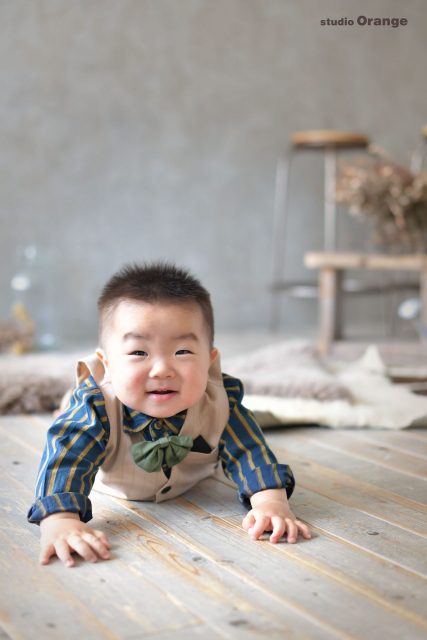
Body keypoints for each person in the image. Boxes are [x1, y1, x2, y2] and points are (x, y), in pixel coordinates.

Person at [27, 262, 311, 567]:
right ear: (107, 362)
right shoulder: (97, 407)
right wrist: (60, 520)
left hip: (196, 473)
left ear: (210, 361)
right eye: (139, 352)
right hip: (106, 449)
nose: (162, 369)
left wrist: (270, 502)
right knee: (69, 420)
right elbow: (67, 457)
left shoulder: (221, 403)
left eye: (183, 352)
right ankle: (67, 402)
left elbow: (250, 452)